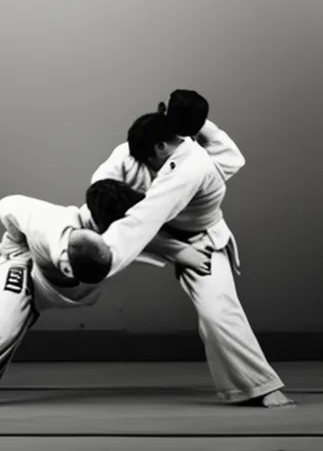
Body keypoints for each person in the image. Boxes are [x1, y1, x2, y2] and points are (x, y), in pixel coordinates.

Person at [0, 190, 210, 411]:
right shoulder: (48, 222)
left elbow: (150, 238)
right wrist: (14, 245)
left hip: (67, 292)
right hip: (26, 272)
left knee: (141, 260)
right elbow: (7, 204)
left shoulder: (122, 236)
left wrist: (181, 253)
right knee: (1, 330)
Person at [92, 90, 294, 408]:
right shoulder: (130, 154)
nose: (144, 165)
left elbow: (233, 159)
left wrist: (198, 123)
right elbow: (100, 195)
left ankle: (260, 386)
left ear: (161, 146)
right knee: (70, 243)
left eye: (148, 158)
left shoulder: (197, 164)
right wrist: (171, 249)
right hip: (145, 231)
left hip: (201, 240)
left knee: (218, 312)